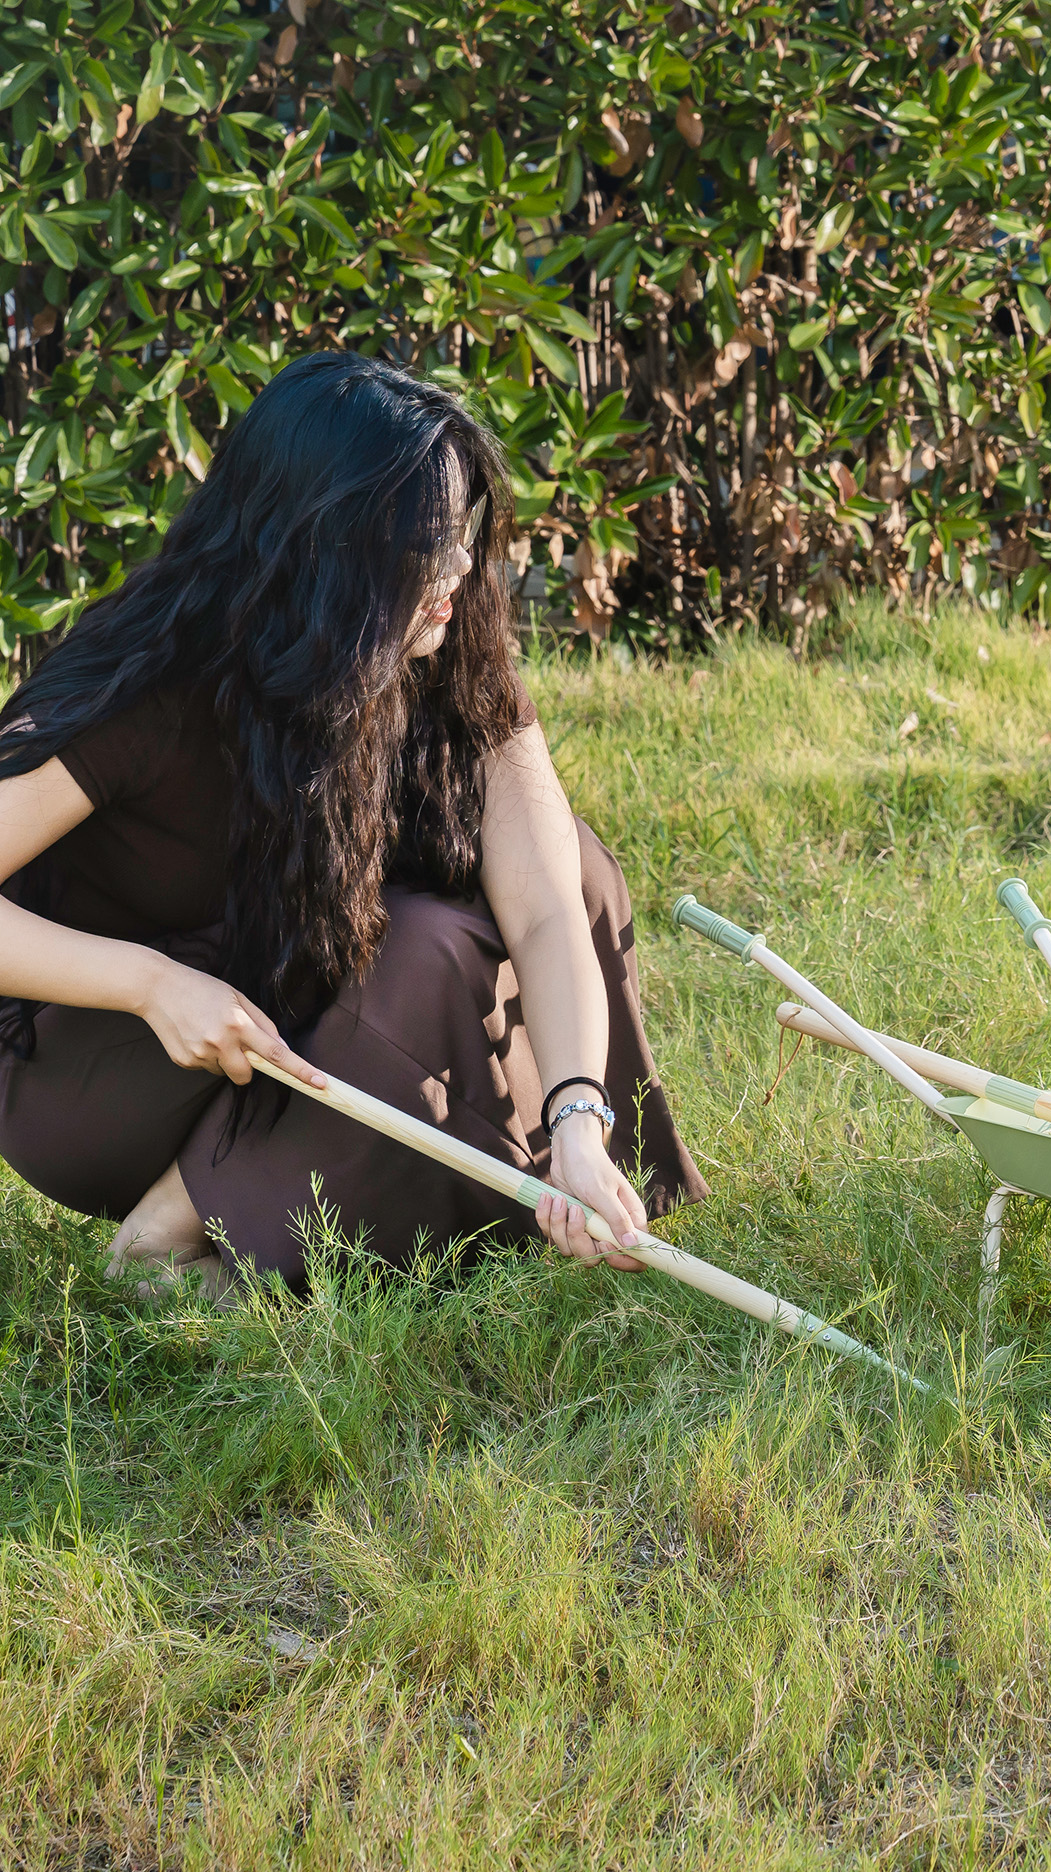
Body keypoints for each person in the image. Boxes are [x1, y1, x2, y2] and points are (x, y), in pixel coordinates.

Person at [0, 351, 705, 1295]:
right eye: (428, 544)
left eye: (464, 532)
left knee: (570, 865)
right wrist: (148, 983)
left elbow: (546, 904)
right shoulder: (155, 682)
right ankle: (176, 1225)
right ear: (326, 550)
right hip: (102, 1052)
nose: (462, 565)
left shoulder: (442, 639)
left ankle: (511, 1182)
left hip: (278, 988)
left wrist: (578, 1115)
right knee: (429, 953)